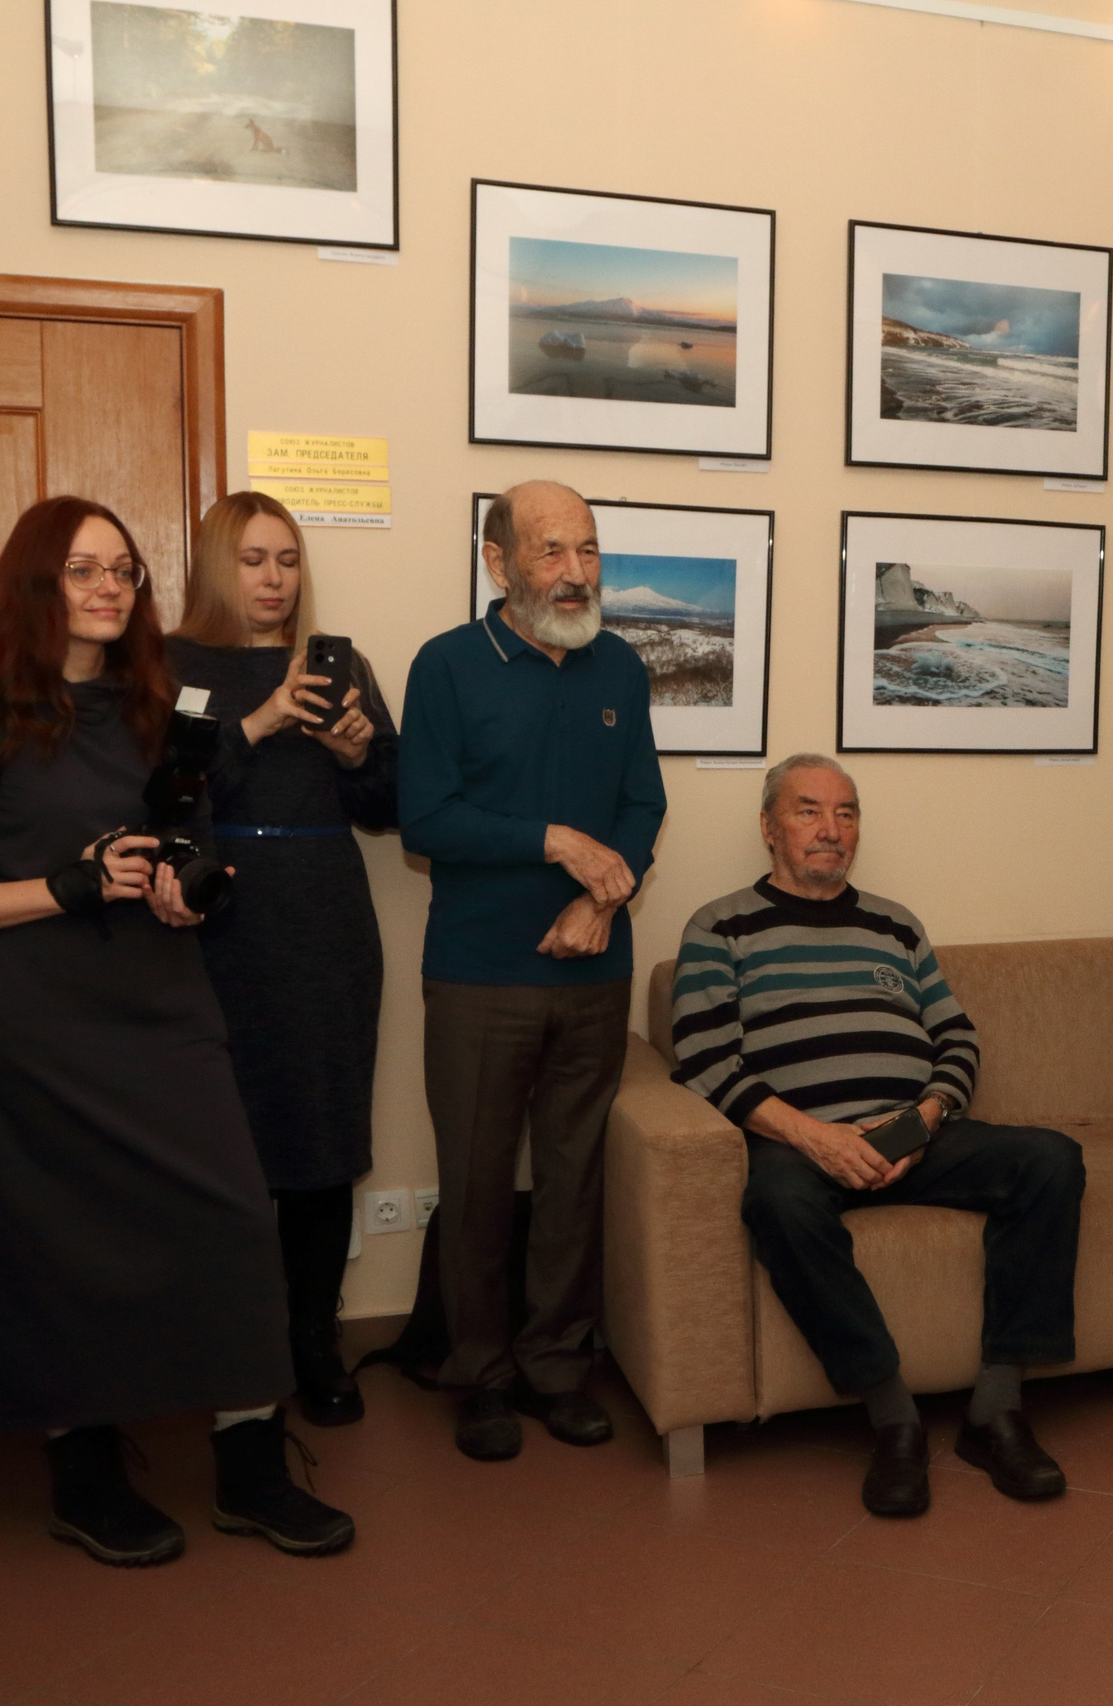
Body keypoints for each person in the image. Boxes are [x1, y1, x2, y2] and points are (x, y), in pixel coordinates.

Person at [0, 496, 351, 1563]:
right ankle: (85, 1470)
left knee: (234, 1215)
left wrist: (192, 887)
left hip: (162, 1002)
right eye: (82, 569)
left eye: (125, 571)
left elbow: (182, 846)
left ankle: (250, 1465)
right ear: (34, 584)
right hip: (32, 1025)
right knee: (65, 1247)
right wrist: (60, 885)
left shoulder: (156, 709)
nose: (108, 587)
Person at [672, 756, 1085, 1517]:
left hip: (913, 1133)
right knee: (777, 1203)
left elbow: (957, 1037)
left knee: (1050, 1161)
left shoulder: (895, 923)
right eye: (808, 811)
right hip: (800, 1145)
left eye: (847, 813)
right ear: (769, 829)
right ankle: (893, 1419)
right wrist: (815, 1139)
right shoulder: (719, 925)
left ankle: (996, 1411)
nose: (832, 830)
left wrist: (921, 1120)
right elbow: (703, 1061)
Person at [400, 480, 666, 1462]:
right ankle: (479, 1372)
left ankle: (557, 1364)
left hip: (592, 977)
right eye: (550, 550)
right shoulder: (448, 667)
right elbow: (425, 820)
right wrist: (555, 840)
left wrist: (600, 897)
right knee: (473, 1186)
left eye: (587, 550)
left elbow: (642, 808)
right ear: (497, 559)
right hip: (476, 977)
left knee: (572, 1181)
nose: (574, 572)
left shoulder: (620, 669)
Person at [169, 491, 398, 1428]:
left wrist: (353, 754)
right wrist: (259, 721)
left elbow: (391, 806)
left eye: (288, 561)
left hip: (325, 919)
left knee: (319, 1142)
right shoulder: (176, 667)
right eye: (255, 560)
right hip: (218, 925)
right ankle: (227, 1344)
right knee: (223, 1148)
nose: (273, 580)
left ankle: (315, 1342)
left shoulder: (342, 666)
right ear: (219, 566)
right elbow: (174, 794)